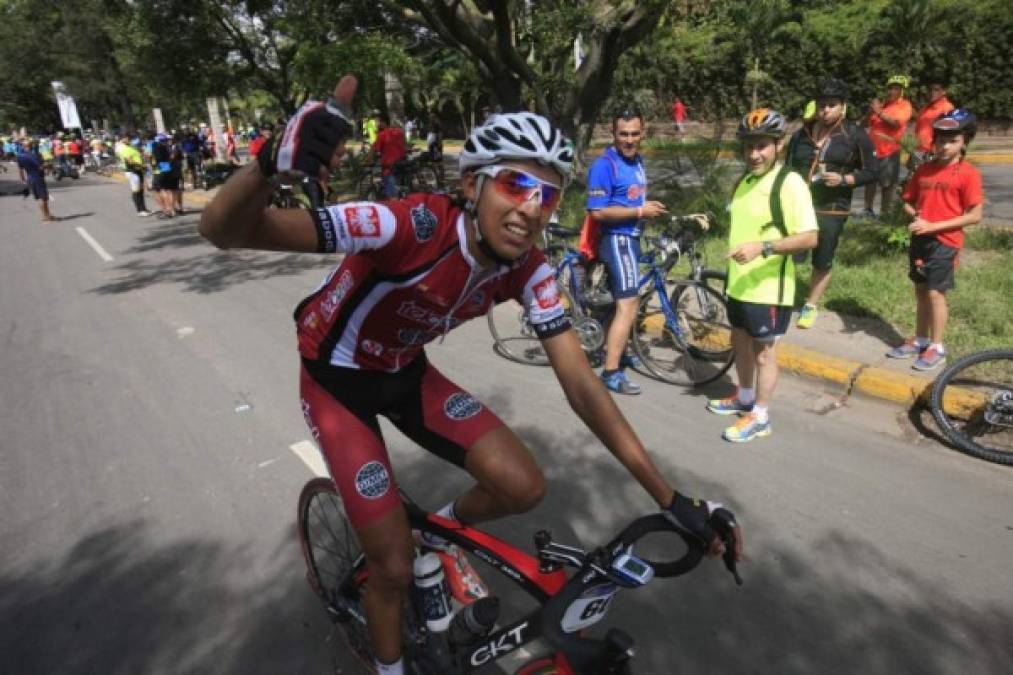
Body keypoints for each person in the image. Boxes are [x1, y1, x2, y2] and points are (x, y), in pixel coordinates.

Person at [199, 74, 742, 675]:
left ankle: (440, 533)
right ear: (470, 185)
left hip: (405, 372)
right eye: (515, 183)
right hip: (337, 382)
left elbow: (583, 389)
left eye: (549, 195)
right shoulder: (404, 226)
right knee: (393, 568)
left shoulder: (530, 269)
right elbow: (222, 231)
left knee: (523, 485)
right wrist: (268, 166)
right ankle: (389, 667)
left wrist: (672, 500)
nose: (532, 207)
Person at [706, 109, 817, 442]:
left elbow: (810, 237)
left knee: (764, 351)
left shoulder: (790, 183)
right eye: (749, 146)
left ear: (779, 145)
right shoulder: (744, 181)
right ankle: (743, 396)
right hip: (739, 283)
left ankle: (761, 416)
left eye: (762, 146)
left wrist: (763, 248)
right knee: (738, 339)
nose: (754, 154)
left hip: (769, 288)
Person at [887, 109, 982, 371]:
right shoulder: (924, 170)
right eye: (941, 139)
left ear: (964, 142)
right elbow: (907, 201)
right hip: (921, 239)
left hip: (945, 241)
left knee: (935, 293)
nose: (945, 145)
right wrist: (914, 214)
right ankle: (920, 339)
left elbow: (975, 215)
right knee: (920, 291)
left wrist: (934, 226)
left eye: (952, 140)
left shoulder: (968, 174)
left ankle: (937, 346)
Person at [582, 107, 665, 395]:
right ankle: (611, 371)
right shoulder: (605, 165)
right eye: (623, 134)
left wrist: (644, 209)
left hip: (631, 238)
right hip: (617, 239)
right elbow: (598, 212)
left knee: (625, 303)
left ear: (643, 132)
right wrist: (641, 210)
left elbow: (629, 197)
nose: (629, 139)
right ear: (612, 133)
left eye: (634, 133)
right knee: (628, 305)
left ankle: (613, 351)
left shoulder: (637, 161)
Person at [786, 78, 878, 329]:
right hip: (797, 207)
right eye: (822, 104)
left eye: (832, 105)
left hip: (831, 209)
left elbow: (872, 172)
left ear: (843, 106)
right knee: (788, 252)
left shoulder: (855, 135)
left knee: (822, 259)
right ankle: (783, 296)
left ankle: (810, 305)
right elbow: (787, 168)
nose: (825, 110)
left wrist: (844, 179)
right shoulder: (800, 135)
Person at [861, 74, 913, 220]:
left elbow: (896, 123)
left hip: (889, 152)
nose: (891, 92)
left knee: (887, 184)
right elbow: (864, 125)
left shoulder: (905, 106)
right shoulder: (883, 105)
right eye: (889, 88)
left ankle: (884, 214)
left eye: (895, 89)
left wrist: (878, 111)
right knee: (869, 181)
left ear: (902, 91)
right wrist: (870, 112)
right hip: (872, 150)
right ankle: (867, 210)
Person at [909, 81, 954, 175]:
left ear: (943, 92)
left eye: (936, 90)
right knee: (915, 181)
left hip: (933, 152)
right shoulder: (925, 108)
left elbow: (948, 131)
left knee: (932, 181)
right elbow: (919, 129)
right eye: (930, 90)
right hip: (919, 151)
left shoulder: (946, 107)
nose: (933, 93)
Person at [363, 113, 407, 199]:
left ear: (383, 123)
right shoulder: (399, 132)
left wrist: (366, 162)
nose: (377, 124)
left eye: (379, 122)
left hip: (389, 168)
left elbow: (373, 150)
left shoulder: (382, 135)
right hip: (402, 166)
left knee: (391, 198)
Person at [16, 140, 55, 222]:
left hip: (30, 178)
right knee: (43, 198)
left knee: (40, 198)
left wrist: (23, 179)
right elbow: (40, 167)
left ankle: (47, 215)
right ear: (30, 146)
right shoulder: (35, 155)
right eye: (31, 145)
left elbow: (20, 170)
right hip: (38, 178)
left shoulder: (20, 157)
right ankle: (45, 216)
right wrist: (48, 165)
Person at [115, 134, 152, 217]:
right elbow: (129, 161)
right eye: (127, 139)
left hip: (138, 170)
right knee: (136, 191)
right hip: (132, 171)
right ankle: (139, 210)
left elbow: (138, 156)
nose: (129, 140)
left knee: (141, 190)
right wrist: (141, 166)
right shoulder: (124, 149)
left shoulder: (131, 147)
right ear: (123, 140)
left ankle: (144, 208)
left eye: (129, 139)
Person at [150, 133, 178, 218]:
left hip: (160, 171)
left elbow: (153, 159)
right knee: (167, 190)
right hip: (167, 170)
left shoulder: (156, 148)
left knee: (161, 190)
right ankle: (170, 209)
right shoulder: (166, 148)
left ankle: (167, 211)